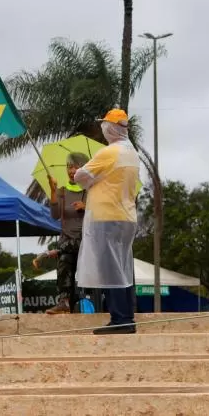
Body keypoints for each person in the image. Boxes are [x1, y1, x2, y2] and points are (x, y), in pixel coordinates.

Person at [73, 108, 140, 335]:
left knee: (111, 271)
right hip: (127, 217)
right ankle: (126, 317)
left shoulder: (109, 152)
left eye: (105, 125)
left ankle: (120, 320)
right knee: (122, 269)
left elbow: (79, 177)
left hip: (106, 218)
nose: (103, 129)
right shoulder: (132, 153)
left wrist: (85, 175)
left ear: (110, 128)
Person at [45, 152, 89, 314]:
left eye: (76, 167)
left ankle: (56, 251)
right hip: (67, 242)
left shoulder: (91, 191)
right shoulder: (62, 191)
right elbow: (55, 215)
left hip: (86, 242)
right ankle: (64, 302)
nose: (72, 171)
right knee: (64, 259)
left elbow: (101, 213)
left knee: (65, 252)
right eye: (69, 167)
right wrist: (53, 190)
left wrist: (87, 207)